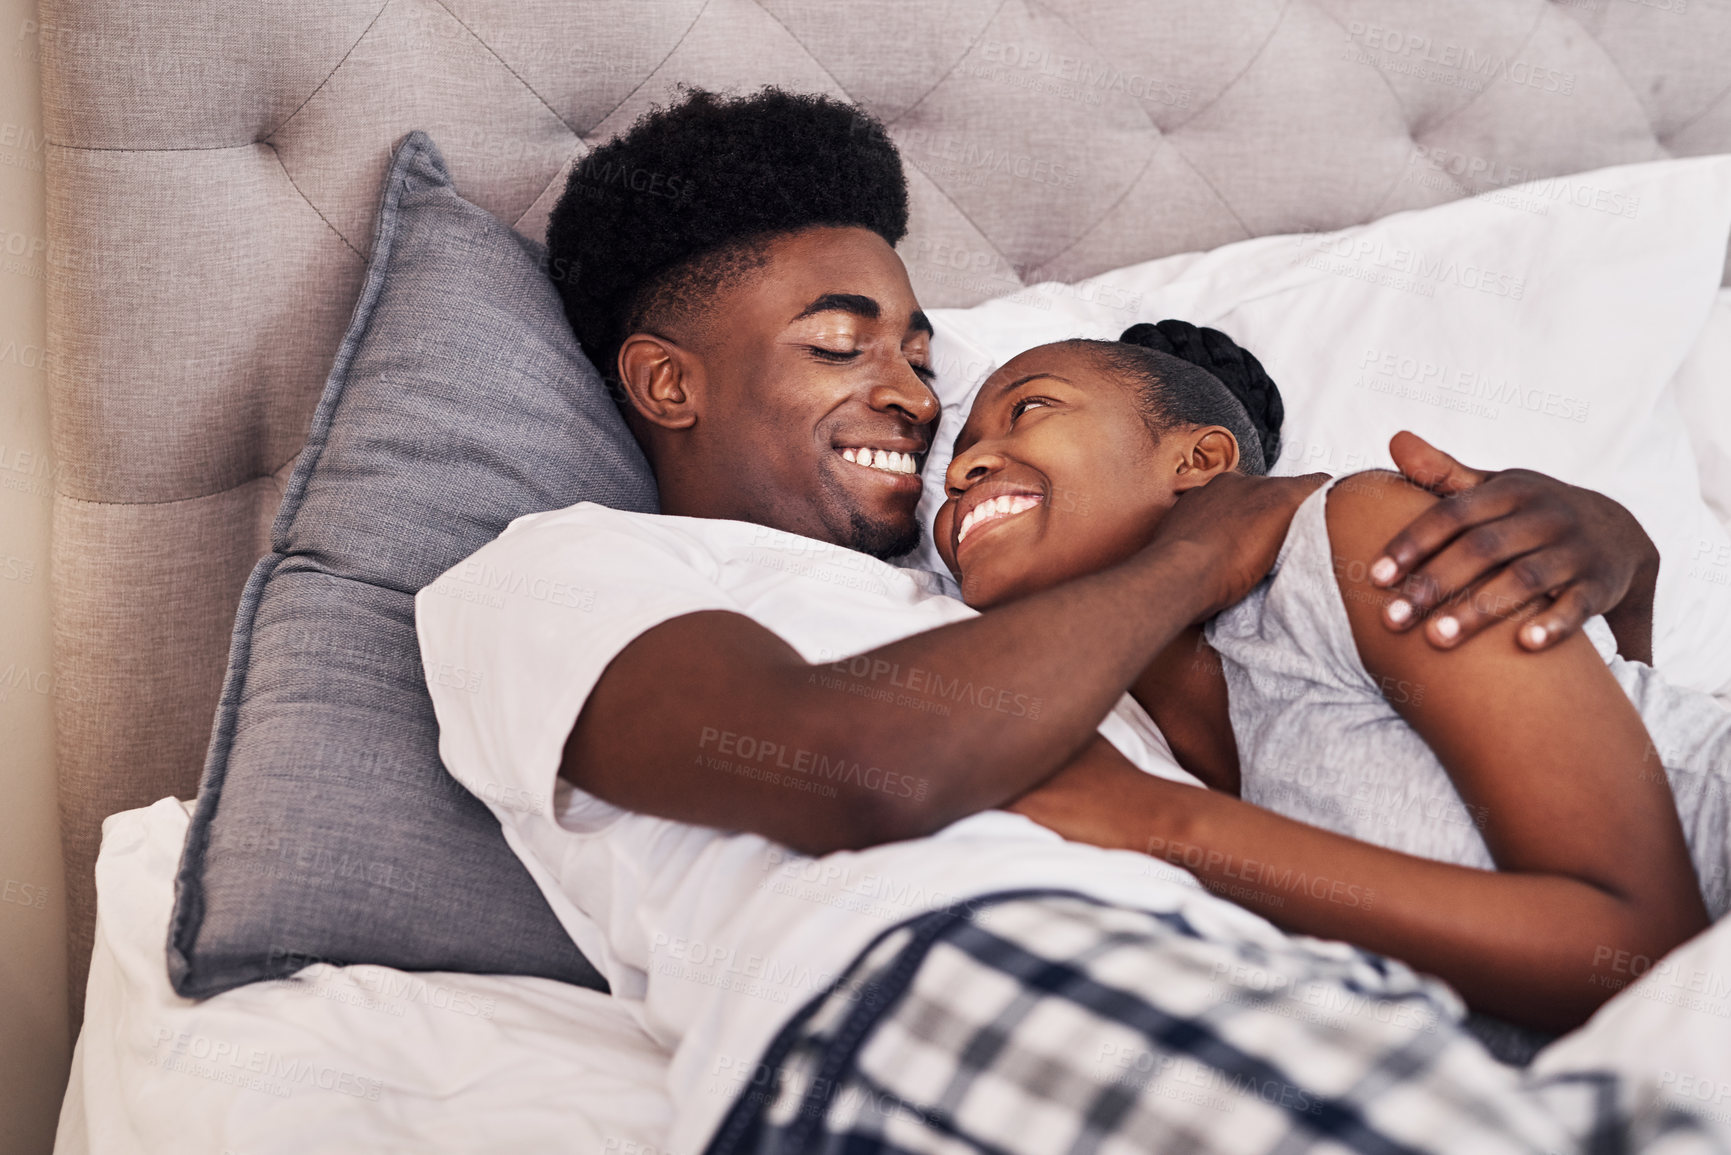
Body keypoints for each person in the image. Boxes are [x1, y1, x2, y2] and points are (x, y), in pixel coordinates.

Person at [415, 88, 1715, 1152]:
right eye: (838, 344)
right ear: (663, 379)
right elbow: (858, 765)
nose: (918, 405)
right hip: (950, 973)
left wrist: (1626, 561)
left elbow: (1550, 809)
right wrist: (1215, 539)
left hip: (1310, 987)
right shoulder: (563, 571)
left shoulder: (1033, 612)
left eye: (924, 360)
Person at [928, 323, 1731, 1059]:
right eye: (958, 457)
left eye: (1027, 409)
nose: (961, 471)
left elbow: (1643, 952)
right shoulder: (1133, 739)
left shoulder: (1358, 539)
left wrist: (1158, 822)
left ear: (1198, 462)